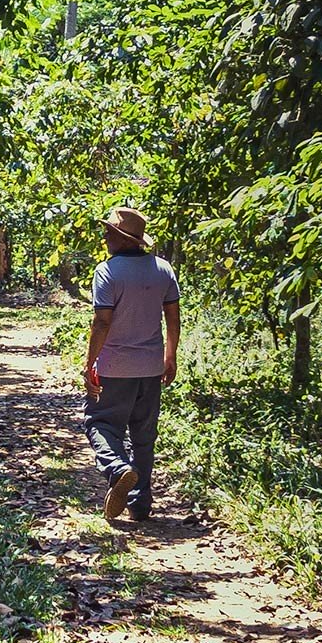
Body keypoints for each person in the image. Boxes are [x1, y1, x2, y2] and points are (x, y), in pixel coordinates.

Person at [81, 206, 181, 521]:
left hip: (114, 367)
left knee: (100, 423)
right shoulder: (163, 269)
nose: (105, 236)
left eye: (109, 232)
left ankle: (117, 468)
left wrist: (89, 363)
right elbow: (173, 318)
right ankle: (140, 504)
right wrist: (170, 356)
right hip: (151, 367)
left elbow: (101, 322)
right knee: (143, 434)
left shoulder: (107, 271)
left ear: (123, 239)